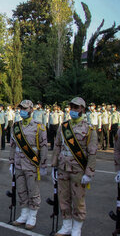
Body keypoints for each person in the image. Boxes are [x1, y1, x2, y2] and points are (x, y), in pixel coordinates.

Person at [52, 97, 97, 236]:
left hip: (78, 169)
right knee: (63, 197)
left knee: (78, 199)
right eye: (71, 107)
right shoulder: (63, 126)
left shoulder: (89, 129)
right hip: (63, 168)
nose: (73, 110)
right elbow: (57, 146)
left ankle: (77, 228)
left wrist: (89, 173)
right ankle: (66, 225)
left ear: (83, 109)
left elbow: (92, 152)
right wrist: (54, 165)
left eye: (76, 107)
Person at [10, 100, 47, 230]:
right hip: (18, 162)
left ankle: (32, 215)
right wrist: (11, 162)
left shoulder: (38, 126)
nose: (22, 111)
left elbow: (43, 147)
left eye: (25, 109)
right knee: (21, 189)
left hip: (32, 163)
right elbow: (12, 146)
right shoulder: (15, 126)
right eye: (20, 108)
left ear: (31, 110)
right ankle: (24, 213)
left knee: (33, 190)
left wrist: (43, 165)